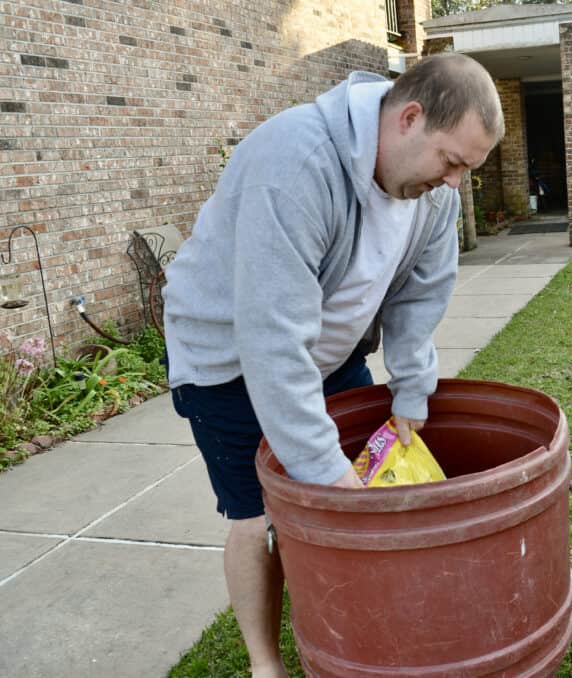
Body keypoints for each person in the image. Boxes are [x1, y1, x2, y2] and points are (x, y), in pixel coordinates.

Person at [161, 53, 504, 677]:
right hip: (228, 360)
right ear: (409, 118)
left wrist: (410, 391)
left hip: (331, 353)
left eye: (468, 170)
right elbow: (271, 337)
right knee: (258, 515)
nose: (455, 183)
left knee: (348, 499)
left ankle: (350, 630)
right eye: (452, 162)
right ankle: (267, 666)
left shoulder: (433, 195)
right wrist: (322, 469)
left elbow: (420, 295)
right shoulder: (295, 163)